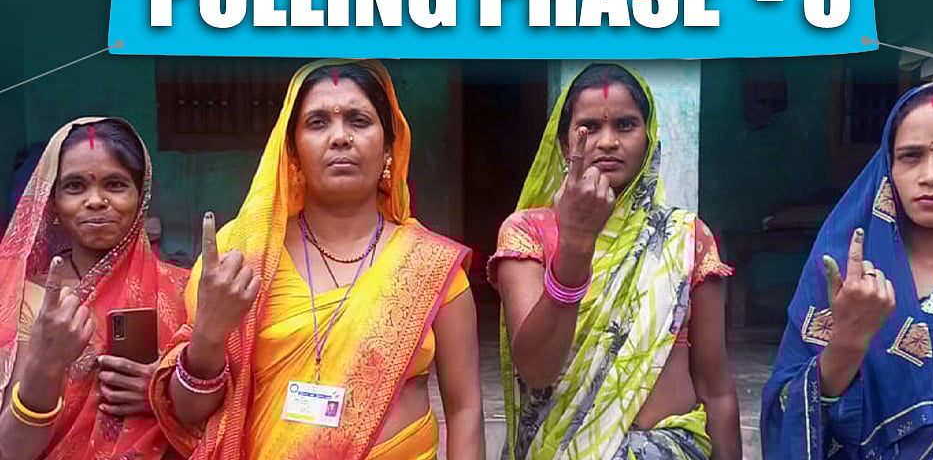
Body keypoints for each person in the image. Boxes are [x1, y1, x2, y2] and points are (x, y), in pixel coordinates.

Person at [149, 59, 485, 460]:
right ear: (291, 150)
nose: (340, 137)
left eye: (359, 121)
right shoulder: (240, 258)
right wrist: (208, 333)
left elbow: (465, 411)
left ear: (390, 146)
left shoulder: (432, 267)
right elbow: (187, 413)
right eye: (318, 122)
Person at [490, 63, 742, 459]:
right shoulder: (528, 233)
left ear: (649, 137)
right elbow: (537, 370)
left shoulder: (685, 238)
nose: (607, 141)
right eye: (588, 128)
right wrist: (575, 241)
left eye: (625, 125)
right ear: (562, 144)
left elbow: (716, 388)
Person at [761, 81, 933, 459]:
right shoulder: (839, 274)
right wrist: (850, 339)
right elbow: (788, 406)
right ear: (888, 169)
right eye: (910, 156)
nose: (932, 175)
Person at [0, 118, 189, 459]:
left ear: (141, 195)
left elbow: (226, 417)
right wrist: (46, 361)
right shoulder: (25, 301)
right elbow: (11, 450)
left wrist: (165, 394)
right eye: (74, 187)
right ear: (53, 204)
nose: (96, 201)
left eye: (115, 184)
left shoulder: (184, 291)